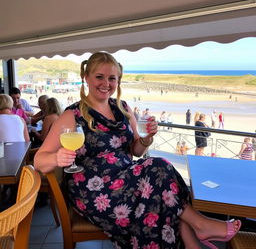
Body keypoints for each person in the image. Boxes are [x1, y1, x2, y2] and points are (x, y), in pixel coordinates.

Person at [34, 52, 241, 249]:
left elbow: (137, 151)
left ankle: (192, 241)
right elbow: (39, 160)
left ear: (118, 81)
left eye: (112, 78)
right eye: (99, 77)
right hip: (95, 191)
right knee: (159, 170)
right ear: (86, 78)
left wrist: (146, 139)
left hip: (127, 181)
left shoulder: (123, 108)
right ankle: (199, 227)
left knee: (160, 186)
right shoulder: (72, 115)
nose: (106, 84)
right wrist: (57, 157)